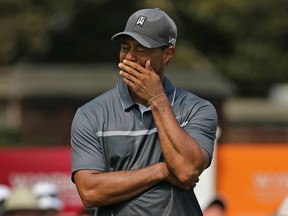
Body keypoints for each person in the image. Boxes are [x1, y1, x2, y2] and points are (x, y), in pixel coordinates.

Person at [71, 8, 218, 216]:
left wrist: (156, 98)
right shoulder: (91, 114)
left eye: (141, 49)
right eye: (125, 47)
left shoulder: (198, 108)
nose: (129, 57)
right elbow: (90, 192)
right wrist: (162, 170)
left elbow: (186, 171)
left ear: (167, 54)